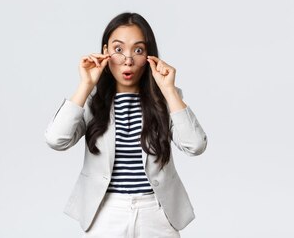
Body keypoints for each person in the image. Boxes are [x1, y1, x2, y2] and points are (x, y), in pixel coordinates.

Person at [45, 12, 207, 238]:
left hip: (157, 213)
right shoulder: (92, 101)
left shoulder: (166, 99)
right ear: (105, 52)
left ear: (149, 56)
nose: (128, 59)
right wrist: (85, 85)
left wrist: (169, 90)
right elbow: (56, 140)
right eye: (118, 49)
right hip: (105, 212)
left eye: (138, 50)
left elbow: (195, 146)